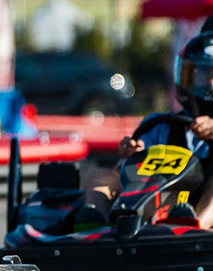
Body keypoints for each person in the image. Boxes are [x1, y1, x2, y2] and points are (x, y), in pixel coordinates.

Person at [79, 31, 213, 230]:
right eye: (203, 74)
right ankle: (97, 224)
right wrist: (133, 154)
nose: (210, 83)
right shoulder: (161, 124)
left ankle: (195, 227)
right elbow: (128, 169)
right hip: (158, 202)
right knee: (100, 174)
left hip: (200, 205)